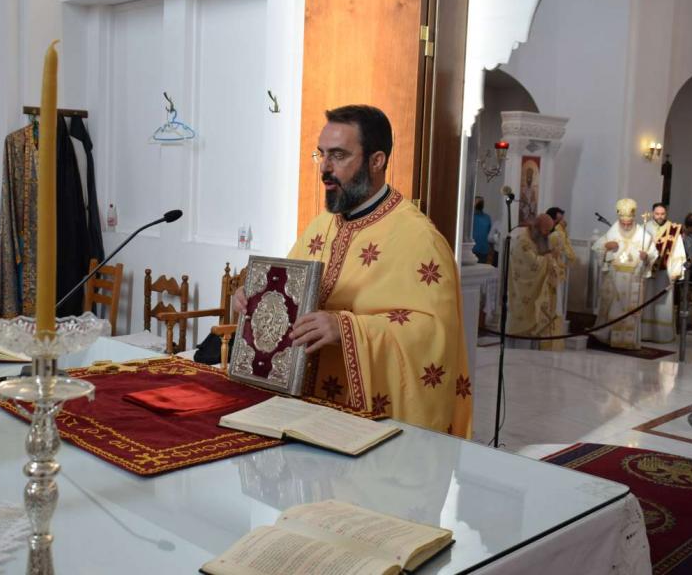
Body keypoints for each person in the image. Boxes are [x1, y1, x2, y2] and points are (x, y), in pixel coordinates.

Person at [234, 105, 471, 437]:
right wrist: (255, 300)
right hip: (299, 409)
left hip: (360, 421)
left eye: (339, 155)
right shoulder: (322, 225)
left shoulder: (419, 238)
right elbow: (289, 295)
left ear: (377, 161)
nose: (325, 169)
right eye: (321, 155)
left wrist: (346, 328)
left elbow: (434, 336)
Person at [591, 199, 657, 349]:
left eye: (629, 223)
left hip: (633, 279)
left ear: (633, 219)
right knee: (612, 308)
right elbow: (598, 247)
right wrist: (607, 246)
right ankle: (608, 339)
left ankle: (628, 342)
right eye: (623, 223)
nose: (626, 226)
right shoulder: (613, 231)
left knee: (630, 311)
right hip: (614, 277)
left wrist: (646, 257)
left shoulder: (643, 235)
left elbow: (653, 254)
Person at [507, 214, 564, 350]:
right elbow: (532, 265)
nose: (547, 235)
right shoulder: (523, 241)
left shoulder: (536, 238)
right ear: (536, 227)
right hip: (522, 290)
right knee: (522, 322)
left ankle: (532, 352)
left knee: (534, 322)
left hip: (533, 291)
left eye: (549, 231)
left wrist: (551, 257)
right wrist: (549, 259)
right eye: (546, 231)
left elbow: (543, 256)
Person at [642, 203, 686, 343]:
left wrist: (676, 271)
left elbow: (678, 251)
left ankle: (662, 335)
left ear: (666, 214)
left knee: (663, 303)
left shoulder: (673, 229)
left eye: (662, 214)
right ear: (652, 213)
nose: (660, 216)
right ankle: (645, 333)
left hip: (665, 271)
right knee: (647, 301)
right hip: (648, 270)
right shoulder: (645, 227)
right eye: (657, 214)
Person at [472, 196, 492, 264]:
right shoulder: (470, 217)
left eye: (481, 202)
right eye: (478, 202)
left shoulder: (487, 218)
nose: (479, 203)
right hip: (472, 249)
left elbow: (489, 233)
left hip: (483, 250)